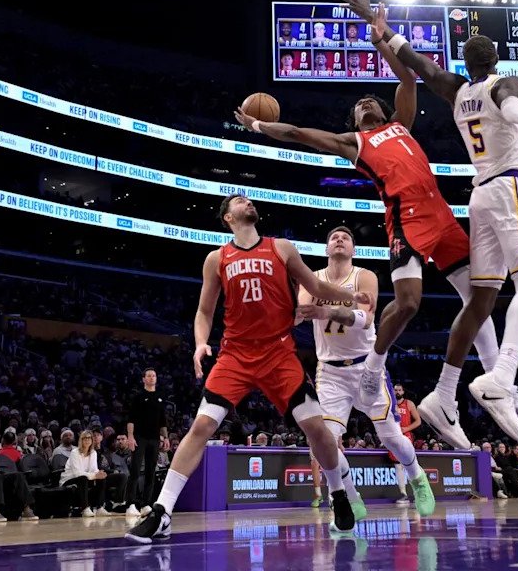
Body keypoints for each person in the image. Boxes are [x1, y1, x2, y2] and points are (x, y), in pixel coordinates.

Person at [234, 7, 518, 452]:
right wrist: (258, 125)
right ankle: (376, 367)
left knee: (481, 297)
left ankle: (495, 386)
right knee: (409, 304)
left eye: (370, 99)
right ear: (355, 122)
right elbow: (298, 132)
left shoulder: (401, 124)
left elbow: (410, 79)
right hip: (405, 220)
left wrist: (380, 39)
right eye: (359, 106)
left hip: (441, 216)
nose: (366, 103)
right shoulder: (355, 143)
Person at [338, 0, 518, 445]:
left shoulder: (456, 90)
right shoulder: (504, 83)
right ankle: (500, 377)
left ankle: (445, 393)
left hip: (473, 199)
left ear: (467, 61)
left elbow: (416, 67)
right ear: (495, 60)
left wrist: (381, 32)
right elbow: (512, 104)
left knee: (480, 300)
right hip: (506, 187)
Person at [127, 195, 372, 543]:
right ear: (228, 217)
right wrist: (200, 343)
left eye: (249, 199)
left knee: (317, 429)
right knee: (201, 426)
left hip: (279, 352)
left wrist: (351, 298)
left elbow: (315, 287)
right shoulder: (217, 259)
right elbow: (204, 312)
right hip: (236, 355)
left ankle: (338, 495)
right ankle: (162, 511)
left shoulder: (281, 247)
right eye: (240, 201)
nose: (249, 202)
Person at [296, 227, 435, 516]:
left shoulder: (364, 275)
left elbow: (366, 318)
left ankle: (417, 478)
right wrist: (318, 306)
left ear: (353, 250)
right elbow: (301, 313)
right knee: (324, 445)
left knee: (393, 438)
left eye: (345, 238)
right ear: (325, 249)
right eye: (333, 237)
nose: (339, 239)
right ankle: (349, 498)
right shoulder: (313, 279)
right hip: (330, 372)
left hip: (366, 366)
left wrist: (329, 310)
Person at [126, 367, 167, 517]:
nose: (151, 378)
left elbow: (163, 421)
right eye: (148, 376)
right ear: (143, 379)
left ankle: (146, 504)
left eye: (153, 376)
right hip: (139, 437)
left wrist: (166, 437)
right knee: (136, 470)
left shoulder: (160, 397)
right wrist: (130, 437)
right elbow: (131, 419)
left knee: (151, 471)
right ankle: (130, 503)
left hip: (155, 438)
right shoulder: (138, 397)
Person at [61, 430, 109, 517]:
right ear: (81, 440)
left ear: (92, 440)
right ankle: (85, 508)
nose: (87, 440)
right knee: (83, 478)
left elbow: (94, 469)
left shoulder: (93, 453)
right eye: (85, 438)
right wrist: (95, 475)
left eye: (89, 438)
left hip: (85, 478)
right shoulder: (75, 452)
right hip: (69, 479)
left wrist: (99, 473)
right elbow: (77, 473)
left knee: (101, 478)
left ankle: (100, 507)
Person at [389, 383, 421, 505]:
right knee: (397, 465)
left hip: (405, 436)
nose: (397, 392)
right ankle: (403, 494)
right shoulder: (390, 404)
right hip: (393, 437)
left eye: (399, 390)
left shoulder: (409, 404)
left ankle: (417, 492)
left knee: (409, 465)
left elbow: (418, 421)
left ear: (403, 392)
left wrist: (406, 428)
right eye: (395, 390)